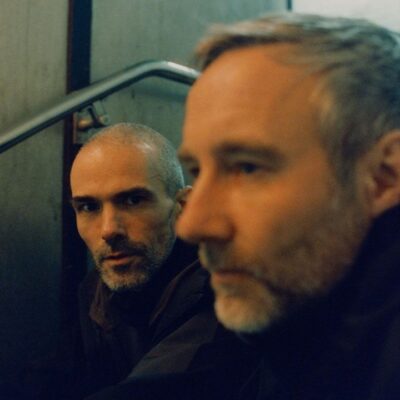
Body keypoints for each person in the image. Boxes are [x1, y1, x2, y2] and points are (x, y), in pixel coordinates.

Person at [176, 12, 400, 400]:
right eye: (196, 170)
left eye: (247, 167)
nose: (191, 224)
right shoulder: (294, 316)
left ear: (383, 176)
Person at [7, 123, 255, 400]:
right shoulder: (98, 291)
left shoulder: (228, 297)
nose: (108, 230)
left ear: (184, 207)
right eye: (88, 207)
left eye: (133, 200)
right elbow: (53, 377)